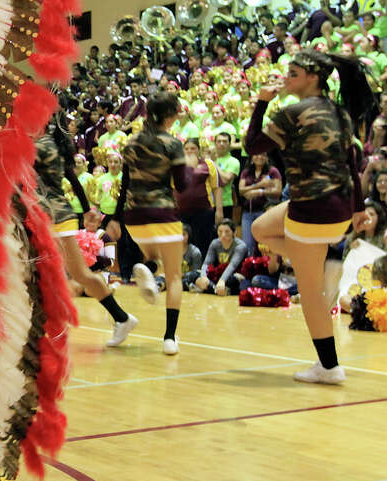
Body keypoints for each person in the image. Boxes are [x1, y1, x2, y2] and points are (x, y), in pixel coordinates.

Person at [246, 51, 372, 384]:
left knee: (311, 293)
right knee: (260, 228)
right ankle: (322, 263)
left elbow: (252, 146)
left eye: (294, 73)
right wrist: (358, 209)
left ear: (312, 78)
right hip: (340, 207)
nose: (286, 78)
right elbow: (352, 164)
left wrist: (261, 103)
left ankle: (329, 367)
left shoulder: (293, 113)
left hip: (312, 211)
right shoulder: (340, 112)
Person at [35, 112, 138, 346]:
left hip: (54, 216)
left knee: (69, 274)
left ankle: (120, 318)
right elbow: (71, 177)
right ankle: (120, 318)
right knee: (71, 273)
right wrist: (84, 210)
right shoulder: (50, 142)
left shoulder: (40, 144)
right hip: (54, 215)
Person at [121, 91, 190, 355]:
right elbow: (182, 185)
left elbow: (125, 181)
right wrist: (191, 167)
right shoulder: (172, 143)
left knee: (154, 258)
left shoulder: (132, 141)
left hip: (133, 215)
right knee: (174, 276)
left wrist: (117, 217)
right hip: (162, 213)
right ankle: (169, 337)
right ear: (171, 115)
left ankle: (146, 266)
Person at [238, 151, 282, 253]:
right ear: (252, 157)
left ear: (267, 157)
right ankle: (249, 266)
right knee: (247, 244)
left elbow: (277, 191)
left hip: (265, 212)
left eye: (263, 154)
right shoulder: (246, 172)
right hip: (247, 212)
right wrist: (260, 185)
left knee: (264, 243)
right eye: (257, 154)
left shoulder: (273, 171)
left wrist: (260, 192)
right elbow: (241, 190)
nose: (260, 157)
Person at [194, 219, 248, 295]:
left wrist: (222, 280)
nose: (223, 235)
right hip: (219, 274)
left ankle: (210, 288)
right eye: (220, 231)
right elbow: (206, 263)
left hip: (234, 275)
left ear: (234, 233)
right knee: (193, 274)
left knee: (234, 280)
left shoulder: (240, 246)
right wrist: (203, 277)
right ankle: (217, 290)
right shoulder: (215, 243)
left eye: (227, 232)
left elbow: (232, 266)